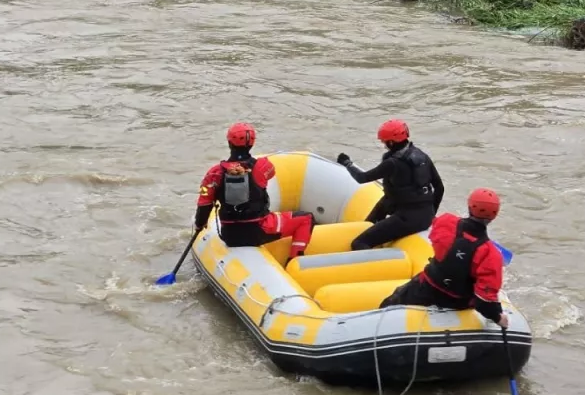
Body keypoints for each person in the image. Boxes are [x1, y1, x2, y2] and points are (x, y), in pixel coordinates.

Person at [378, 188, 508, 328]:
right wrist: (499, 318)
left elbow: (436, 239)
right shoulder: (491, 254)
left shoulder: (446, 222)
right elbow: (485, 303)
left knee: (388, 305)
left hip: (427, 288)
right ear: (494, 216)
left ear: (469, 206)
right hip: (458, 302)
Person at [196, 122, 315, 261]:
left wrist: (199, 224)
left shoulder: (214, 173)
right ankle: (294, 259)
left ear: (229, 143)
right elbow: (271, 174)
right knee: (307, 218)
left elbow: (203, 203)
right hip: (259, 230)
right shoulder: (263, 166)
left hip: (229, 235)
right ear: (252, 144)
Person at [336, 119, 444, 250]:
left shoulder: (392, 163)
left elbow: (362, 178)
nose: (384, 145)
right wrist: (432, 215)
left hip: (408, 219)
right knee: (379, 210)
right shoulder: (422, 156)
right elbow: (439, 187)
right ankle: (370, 227)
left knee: (359, 243)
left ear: (391, 142)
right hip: (425, 215)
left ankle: (373, 267)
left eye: (384, 142)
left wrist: (347, 163)